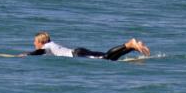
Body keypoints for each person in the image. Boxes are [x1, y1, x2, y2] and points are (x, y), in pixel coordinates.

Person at [19, 31, 150, 60]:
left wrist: (26, 54)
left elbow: (38, 52)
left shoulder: (45, 47)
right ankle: (132, 47)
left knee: (105, 57)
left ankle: (129, 44)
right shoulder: (50, 44)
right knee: (109, 58)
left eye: (35, 41)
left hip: (77, 54)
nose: (34, 44)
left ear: (41, 42)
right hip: (78, 51)